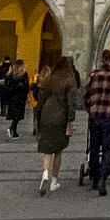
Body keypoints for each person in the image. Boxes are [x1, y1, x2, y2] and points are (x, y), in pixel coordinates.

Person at [83, 49, 110, 196]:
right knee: (107, 148)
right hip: (109, 116)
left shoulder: (94, 75)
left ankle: (94, 178)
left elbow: (86, 96)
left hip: (95, 116)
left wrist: (90, 110)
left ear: (101, 59)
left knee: (94, 147)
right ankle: (102, 178)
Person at [36, 56, 78, 196]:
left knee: (47, 148)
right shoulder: (69, 80)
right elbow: (71, 104)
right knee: (58, 150)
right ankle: (54, 181)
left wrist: (38, 118)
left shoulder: (50, 79)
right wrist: (70, 122)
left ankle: (44, 175)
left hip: (47, 113)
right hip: (60, 115)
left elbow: (41, 100)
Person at [1, 59, 30, 139]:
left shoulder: (11, 73)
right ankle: (12, 129)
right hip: (20, 97)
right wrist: (26, 95)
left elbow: (6, 84)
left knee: (14, 115)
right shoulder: (24, 73)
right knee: (18, 115)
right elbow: (26, 86)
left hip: (12, 97)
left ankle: (14, 131)